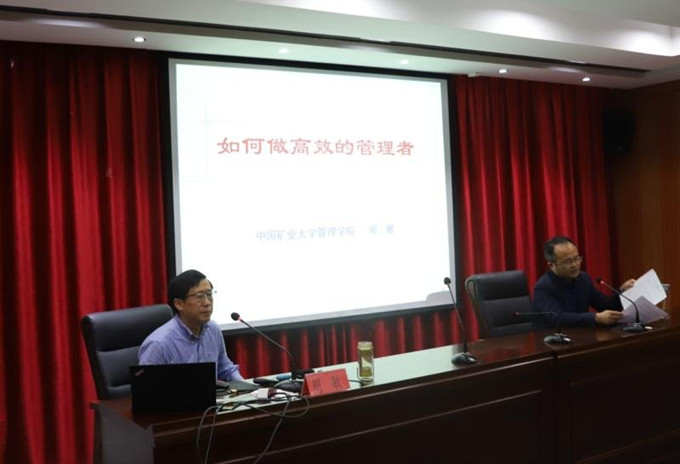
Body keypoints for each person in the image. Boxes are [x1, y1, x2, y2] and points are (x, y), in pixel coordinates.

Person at [138, 269, 244, 381]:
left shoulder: (213, 329)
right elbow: (147, 388)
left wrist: (247, 386)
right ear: (179, 304)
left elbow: (225, 367)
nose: (207, 302)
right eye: (199, 296)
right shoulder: (158, 344)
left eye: (209, 295)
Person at [533, 236, 636, 329]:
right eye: (568, 261)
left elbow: (605, 305)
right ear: (551, 265)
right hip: (552, 339)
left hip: (582, 336)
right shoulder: (543, 288)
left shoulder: (583, 279)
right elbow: (558, 318)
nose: (574, 265)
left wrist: (622, 291)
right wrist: (595, 318)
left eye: (576, 259)